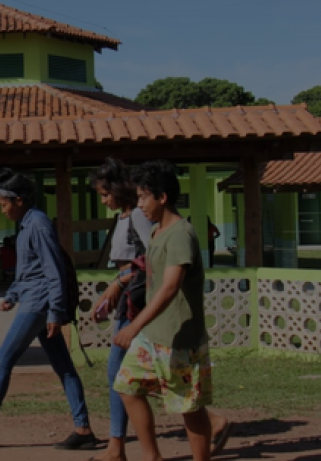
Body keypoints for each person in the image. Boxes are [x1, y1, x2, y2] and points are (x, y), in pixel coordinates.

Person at [0, 168, 97, 450]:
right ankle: (83, 430)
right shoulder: (28, 225)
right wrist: (13, 294)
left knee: (2, 360)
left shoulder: (38, 224)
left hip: (39, 305)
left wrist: (54, 311)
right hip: (34, 299)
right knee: (64, 367)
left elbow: (53, 271)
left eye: (4, 204)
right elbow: (29, 270)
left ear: (18, 200)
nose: (2, 210)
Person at [112, 160, 226, 461]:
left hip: (179, 338)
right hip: (153, 336)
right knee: (127, 386)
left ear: (162, 197)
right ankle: (153, 457)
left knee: (188, 408)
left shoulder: (180, 234)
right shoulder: (156, 233)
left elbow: (170, 286)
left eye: (143, 197)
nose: (139, 204)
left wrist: (133, 326)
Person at [88, 158, 153, 461]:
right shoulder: (125, 217)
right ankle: (117, 445)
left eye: (105, 194)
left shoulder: (138, 216)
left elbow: (151, 262)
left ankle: (117, 447)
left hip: (135, 303)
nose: (103, 200)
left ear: (116, 189)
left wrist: (118, 284)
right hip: (126, 300)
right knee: (137, 374)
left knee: (118, 372)